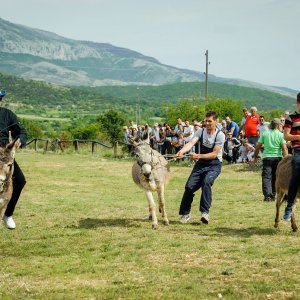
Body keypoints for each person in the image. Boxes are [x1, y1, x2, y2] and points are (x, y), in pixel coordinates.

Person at [176, 111, 225, 224]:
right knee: (189, 187)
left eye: (210, 121)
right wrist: (181, 151)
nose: (207, 123)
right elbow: (191, 143)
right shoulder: (200, 131)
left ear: (216, 122)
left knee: (206, 182)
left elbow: (213, 154)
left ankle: (205, 213)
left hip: (214, 164)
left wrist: (198, 156)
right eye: (205, 121)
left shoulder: (220, 135)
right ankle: (185, 214)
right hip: (201, 163)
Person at [0, 90, 27, 229]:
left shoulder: (7, 114)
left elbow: (21, 131)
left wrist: (21, 141)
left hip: (4, 154)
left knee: (20, 180)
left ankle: (8, 214)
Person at [254, 118, 288, 201]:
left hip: (267, 158)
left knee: (266, 177)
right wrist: (287, 160)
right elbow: (284, 149)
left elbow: (258, 146)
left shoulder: (265, 134)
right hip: (278, 158)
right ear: (278, 125)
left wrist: (255, 157)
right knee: (275, 177)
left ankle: (267, 196)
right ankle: (273, 194)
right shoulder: (280, 135)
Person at [283, 93, 300, 221]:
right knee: (296, 174)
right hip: (298, 150)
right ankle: (289, 205)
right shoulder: (290, 118)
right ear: (298, 103)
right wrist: (298, 137)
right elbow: (286, 136)